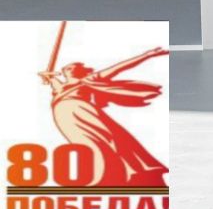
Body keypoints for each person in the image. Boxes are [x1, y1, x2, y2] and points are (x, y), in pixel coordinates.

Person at [39, 47, 170, 187]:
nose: (69, 69)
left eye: (73, 67)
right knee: (83, 143)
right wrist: (46, 75)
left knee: (106, 139)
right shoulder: (60, 87)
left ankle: (123, 173)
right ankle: (99, 175)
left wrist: (146, 55)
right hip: (65, 117)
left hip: (83, 112)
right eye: (67, 68)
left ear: (80, 70)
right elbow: (49, 78)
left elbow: (118, 67)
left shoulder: (89, 79)